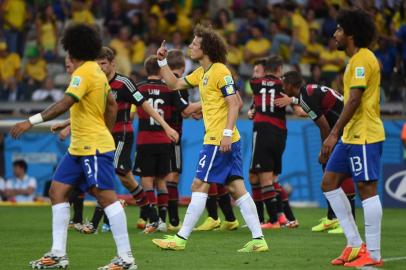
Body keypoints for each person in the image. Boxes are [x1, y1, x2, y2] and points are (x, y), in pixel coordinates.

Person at [10, 24, 137, 270]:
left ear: (73, 49)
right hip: (79, 147)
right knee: (57, 191)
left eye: (67, 50)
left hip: (93, 148)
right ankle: (58, 254)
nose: (66, 55)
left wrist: (31, 121)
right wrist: (106, 130)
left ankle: (126, 259)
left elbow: (66, 102)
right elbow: (111, 104)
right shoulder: (96, 72)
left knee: (106, 197)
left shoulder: (85, 72)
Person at [151, 24, 268, 252]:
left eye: (195, 44)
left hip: (218, 139)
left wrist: (225, 133)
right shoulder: (202, 73)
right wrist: (163, 62)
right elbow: (174, 84)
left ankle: (181, 238)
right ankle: (258, 239)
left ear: (206, 48)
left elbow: (235, 103)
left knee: (199, 184)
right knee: (236, 188)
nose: (190, 47)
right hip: (225, 139)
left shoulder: (220, 71)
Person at [79, 46, 178, 234]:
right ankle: (153, 218)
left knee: (110, 171)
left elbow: (145, 105)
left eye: (103, 63)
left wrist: (166, 126)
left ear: (112, 63)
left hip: (122, 134)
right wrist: (68, 124)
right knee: (126, 179)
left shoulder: (124, 83)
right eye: (97, 63)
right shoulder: (95, 83)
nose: (100, 67)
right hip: (102, 136)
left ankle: (93, 223)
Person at [320, 8, 385, 267]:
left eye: (338, 30)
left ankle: (375, 255)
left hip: (365, 135)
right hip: (351, 136)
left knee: (367, 190)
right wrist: (340, 134)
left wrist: (333, 134)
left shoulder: (362, 60)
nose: (334, 34)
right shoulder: (355, 61)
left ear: (351, 34)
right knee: (329, 182)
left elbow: (355, 99)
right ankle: (355, 244)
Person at [276, 70, 356, 234]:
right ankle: (333, 218)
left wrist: (324, 151)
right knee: (328, 172)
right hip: (341, 127)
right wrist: (291, 100)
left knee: (339, 173)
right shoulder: (308, 91)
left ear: (291, 85)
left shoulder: (306, 97)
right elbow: (307, 107)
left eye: (284, 84)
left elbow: (324, 126)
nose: (282, 86)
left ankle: (349, 221)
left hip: (345, 130)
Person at [133, 55, 186, 233]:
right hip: (164, 140)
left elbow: (131, 114)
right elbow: (183, 110)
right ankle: (162, 220)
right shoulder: (169, 89)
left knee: (147, 180)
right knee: (162, 180)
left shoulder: (139, 89)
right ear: (161, 70)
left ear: (146, 70)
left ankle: (151, 218)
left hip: (145, 140)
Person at [248, 55, 298, 229]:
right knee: (270, 177)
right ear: (279, 70)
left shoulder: (254, 83)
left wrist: (253, 109)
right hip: (280, 134)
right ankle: (285, 218)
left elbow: (259, 96)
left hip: (262, 131)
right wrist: (292, 100)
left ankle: (273, 221)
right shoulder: (283, 85)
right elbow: (299, 111)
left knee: (265, 179)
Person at [165, 49, 202, 231]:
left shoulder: (159, 81)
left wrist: (192, 111)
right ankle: (172, 222)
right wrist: (206, 103)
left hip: (153, 133)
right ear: (181, 67)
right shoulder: (177, 83)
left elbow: (183, 110)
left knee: (154, 178)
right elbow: (185, 110)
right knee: (173, 176)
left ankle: (150, 218)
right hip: (173, 134)